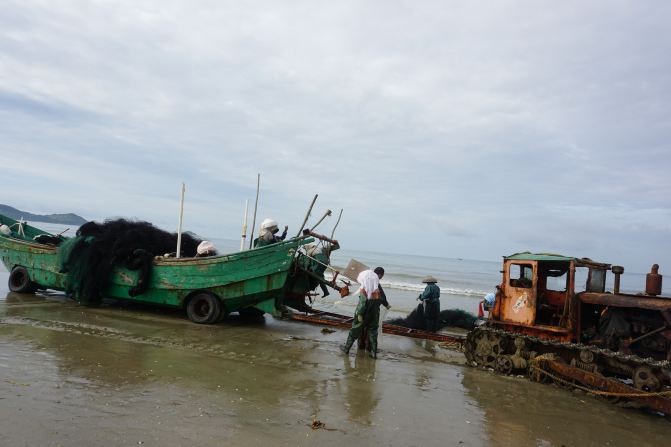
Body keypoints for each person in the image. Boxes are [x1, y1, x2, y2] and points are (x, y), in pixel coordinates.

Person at [340, 266, 386, 359]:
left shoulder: (365, 288)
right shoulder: (377, 289)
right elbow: (382, 300)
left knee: (354, 330)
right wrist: (387, 305)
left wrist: (360, 314)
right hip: (374, 315)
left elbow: (362, 303)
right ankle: (373, 353)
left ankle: (346, 349)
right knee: (373, 332)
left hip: (363, 313)